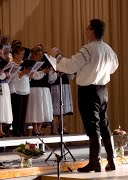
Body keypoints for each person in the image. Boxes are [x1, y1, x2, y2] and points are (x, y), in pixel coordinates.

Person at [49, 19, 119, 172]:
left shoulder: (88, 49)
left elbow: (71, 65)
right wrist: (97, 70)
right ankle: (111, 161)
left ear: (93, 30)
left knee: (93, 127)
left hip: (88, 92)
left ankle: (95, 162)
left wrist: (59, 56)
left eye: (87, 28)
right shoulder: (108, 49)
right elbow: (114, 67)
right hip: (102, 90)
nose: (85, 31)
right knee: (104, 125)